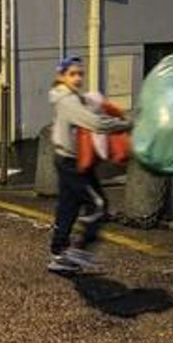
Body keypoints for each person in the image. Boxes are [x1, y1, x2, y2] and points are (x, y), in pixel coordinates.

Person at [47, 56, 129, 274]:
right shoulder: (68, 101)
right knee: (98, 204)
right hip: (71, 163)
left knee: (68, 207)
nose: (78, 78)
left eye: (80, 73)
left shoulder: (72, 97)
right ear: (61, 76)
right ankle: (79, 250)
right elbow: (94, 123)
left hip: (70, 159)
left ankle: (59, 253)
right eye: (72, 74)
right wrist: (125, 124)